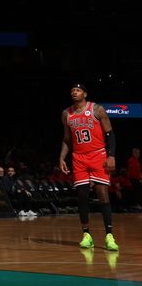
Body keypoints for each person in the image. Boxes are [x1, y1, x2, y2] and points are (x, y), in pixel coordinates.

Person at [59, 83, 119, 251]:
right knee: (82, 195)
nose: (74, 92)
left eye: (77, 90)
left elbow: (110, 134)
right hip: (78, 158)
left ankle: (109, 236)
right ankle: (86, 235)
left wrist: (111, 155)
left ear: (84, 93)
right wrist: (62, 157)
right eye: (72, 91)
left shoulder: (97, 109)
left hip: (98, 154)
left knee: (102, 193)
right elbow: (67, 139)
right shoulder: (66, 114)